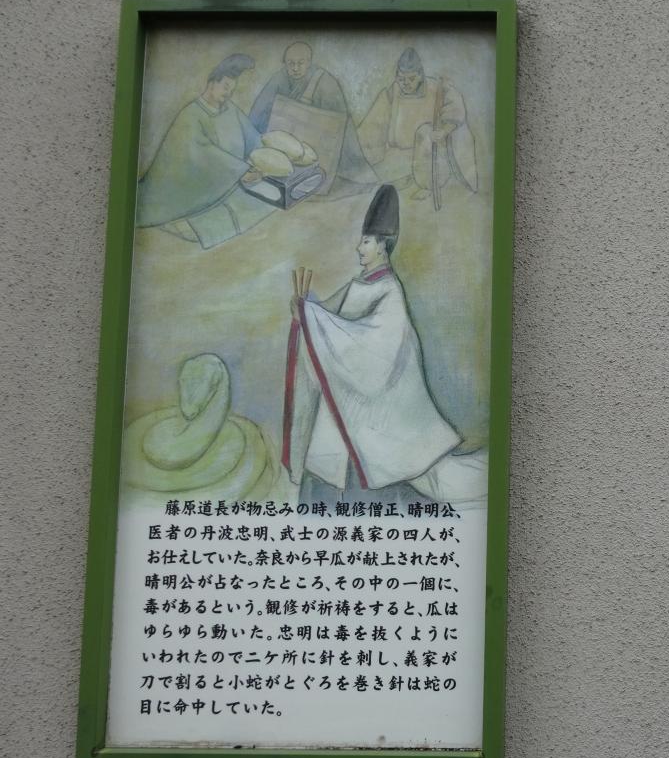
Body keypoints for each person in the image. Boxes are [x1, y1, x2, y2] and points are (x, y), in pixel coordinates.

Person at [282, 184, 462, 505]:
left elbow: (374, 347)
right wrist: (305, 312)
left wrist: (313, 318)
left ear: (382, 246)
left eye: (366, 241)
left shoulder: (390, 291)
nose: (359, 248)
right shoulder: (359, 284)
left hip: (376, 414)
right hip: (342, 405)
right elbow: (328, 317)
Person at [135, 53, 275, 247]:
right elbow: (202, 153)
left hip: (230, 181)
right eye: (225, 86)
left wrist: (267, 157)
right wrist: (241, 171)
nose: (228, 93)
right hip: (190, 188)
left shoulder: (231, 109)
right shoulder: (191, 114)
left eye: (232, 89)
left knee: (267, 202)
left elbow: (252, 137)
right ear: (212, 83)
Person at [248, 41, 377, 196]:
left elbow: (338, 123)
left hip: (317, 145)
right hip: (286, 143)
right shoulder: (279, 78)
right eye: (291, 63)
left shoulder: (325, 82)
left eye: (300, 63)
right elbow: (260, 109)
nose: (295, 68)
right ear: (285, 63)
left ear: (309, 62)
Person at [357, 48, 478, 206]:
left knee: (424, 132)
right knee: (373, 180)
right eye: (401, 79)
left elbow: (456, 109)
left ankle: (427, 185)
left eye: (411, 78)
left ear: (420, 75)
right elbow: (373, 125)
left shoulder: (437, 88)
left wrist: (444, 131)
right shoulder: (393, 92)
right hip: (399, 155)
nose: (406, 84)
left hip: (429, 156)